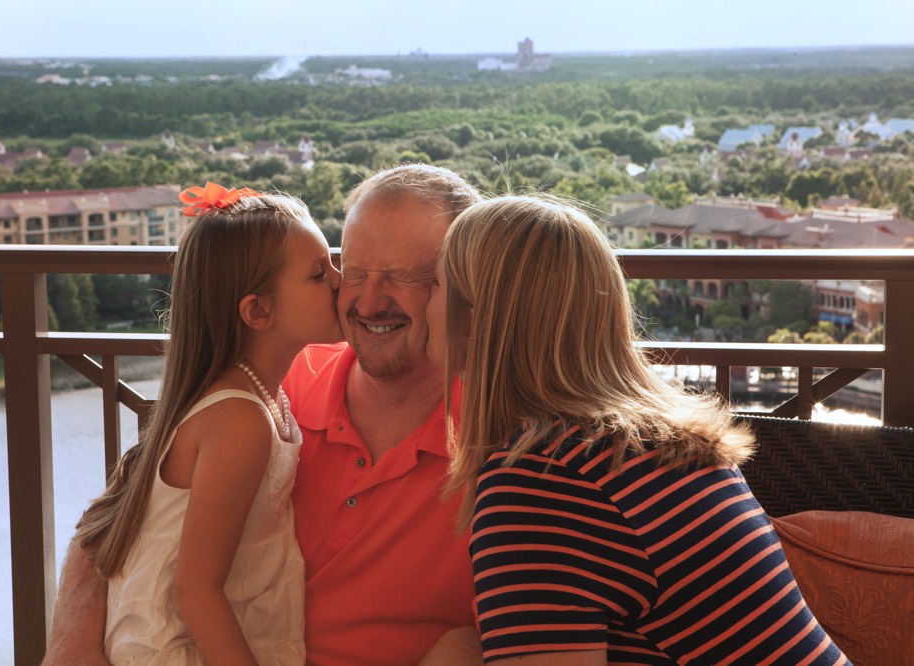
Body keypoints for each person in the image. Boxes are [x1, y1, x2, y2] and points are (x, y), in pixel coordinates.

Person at [43, 164, 484, 666]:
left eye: (406, 277)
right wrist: (73, 648)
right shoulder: (271, 386)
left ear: (463, 289)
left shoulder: (504, 439)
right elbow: (119, 515)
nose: (366, 300)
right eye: (354, 270)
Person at [427, 194, 850, 665]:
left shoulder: (542, 485)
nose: (425, 303)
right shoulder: (651, 442)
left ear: (475, 318)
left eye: (435, 285)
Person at [73, 182, 342, 664]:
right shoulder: (240, 419)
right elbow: (197, 590)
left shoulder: (262, 394)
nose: (341, 281)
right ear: (258, 311)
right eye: (319, 274)